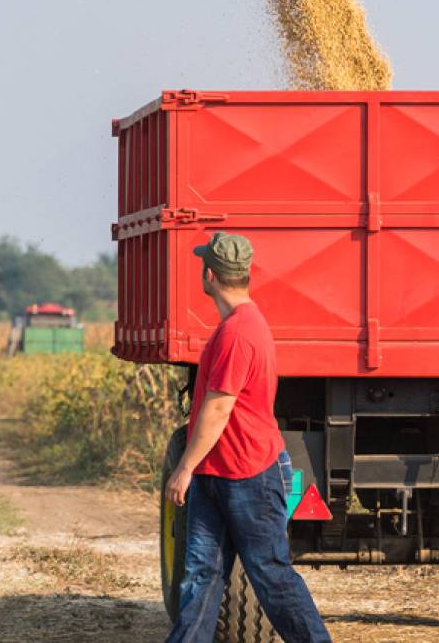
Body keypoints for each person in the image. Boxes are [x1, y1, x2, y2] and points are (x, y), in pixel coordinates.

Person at [163, 232, 330, 643]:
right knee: (202, 575)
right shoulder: (236, 325)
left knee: (270, 575)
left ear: (210, 275)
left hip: (250, 475)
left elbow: (219, 407)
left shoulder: (239, 331)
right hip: (218, 473)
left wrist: (184, 467)